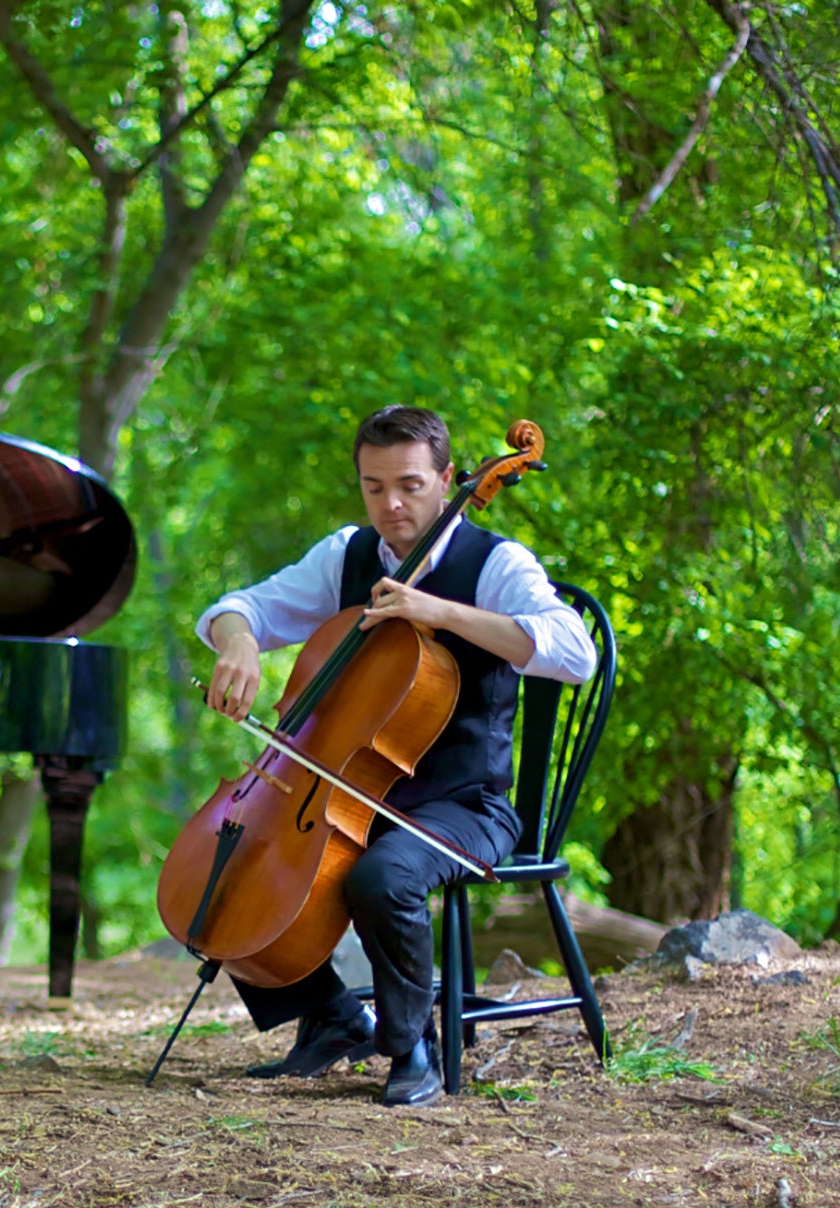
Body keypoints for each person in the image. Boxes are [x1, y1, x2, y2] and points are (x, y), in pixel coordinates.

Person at [196, 406, 596, 1106]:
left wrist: (439, 612)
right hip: (356, 795)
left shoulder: (495, 563)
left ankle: (410, 1047)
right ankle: (330, 1016)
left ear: (447, 479)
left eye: (410, 485)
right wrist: (239, 641)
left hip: (465, 803)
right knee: (233, 859)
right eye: (374, 487)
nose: (392, 505)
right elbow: (240, 606)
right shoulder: (347, 556)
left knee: (384, 876)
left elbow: (575, 652)